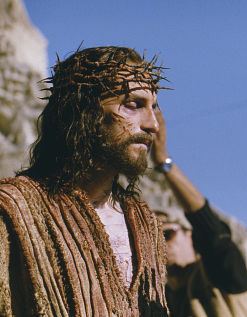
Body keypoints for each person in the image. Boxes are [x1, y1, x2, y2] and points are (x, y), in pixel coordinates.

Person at [0, 46, 171, 316]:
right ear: (84, 111)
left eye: (154, 107)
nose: (153, 125)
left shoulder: (144, 222)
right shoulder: (15, 210)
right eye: (134, 105)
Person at [148, 110, 247, 316]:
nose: (160, 245)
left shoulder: (219, 275)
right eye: (152, 240)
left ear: (190, 234)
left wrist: (164, 163)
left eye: (167, 234)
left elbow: (209, 228)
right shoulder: (159, 302)